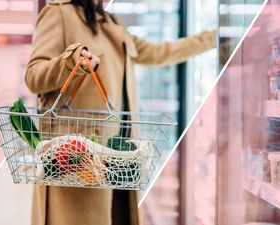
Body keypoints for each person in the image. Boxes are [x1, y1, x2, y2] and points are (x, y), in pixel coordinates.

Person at [25, 0, 216, 225]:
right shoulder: (58, 14)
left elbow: (158, 53)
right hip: (76, 161)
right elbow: (34, 77)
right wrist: (71, 60)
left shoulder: (112, 23)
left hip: (118, 158)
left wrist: (214, 38)